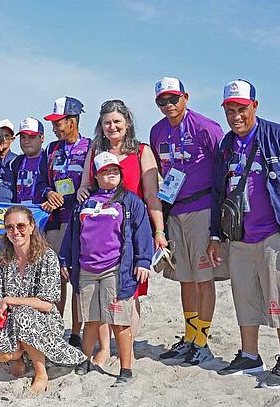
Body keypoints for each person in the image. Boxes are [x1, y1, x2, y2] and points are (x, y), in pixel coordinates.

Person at [208, 79, 280, 388]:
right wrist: (215, 235)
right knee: (244, 297)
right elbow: (219, 193)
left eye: (241, 109)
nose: (236, 116)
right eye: (230, 110)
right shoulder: (226, 145)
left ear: (255, 105)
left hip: (275, 234)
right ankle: (251, 356)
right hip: (239, 236)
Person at [76, 99, 167, 364]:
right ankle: (104, 348)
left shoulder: (141, 151)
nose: (112, 126)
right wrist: (83, 191)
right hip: (100, 234)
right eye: (107, 122)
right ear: (100, 126)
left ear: (127, 123)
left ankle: (126, 349)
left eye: (117, 121)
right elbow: (85, 186)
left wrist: (159, 231)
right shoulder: (95, 151)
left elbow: (151, 194)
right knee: (101, 294)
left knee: (130, 292)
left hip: (132, 232)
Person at [147, 78, 226, 365]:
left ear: (186, 97)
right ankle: (191, 338)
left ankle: (203, 342)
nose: (168, 105)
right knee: (185, 278)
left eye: (173, 99)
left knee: (204, 277)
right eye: (162, 101)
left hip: (203, 206)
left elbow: (224, 165)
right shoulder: (157, 131)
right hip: (175, 211)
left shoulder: (206, 127)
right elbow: (160, 170)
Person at [61, 152, 153, 386]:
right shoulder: (84, 202)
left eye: (114, 170)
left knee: (119, 321)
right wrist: (65, 259)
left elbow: (143, 233)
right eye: (104, 171)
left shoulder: (130, 201)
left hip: (115, 270)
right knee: (90, 319)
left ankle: (126, 369)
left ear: (120, 174)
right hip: (86, 269)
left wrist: (143, 261)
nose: (110, 174)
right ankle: (85, 360)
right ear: (96, 175)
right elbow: (72, 234)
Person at [0, 205, 86, 394]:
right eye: (9, 227)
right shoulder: (0, 259)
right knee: (2, 353)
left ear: (32, 227)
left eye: (20, 226)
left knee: (23, 315)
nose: (15, 231)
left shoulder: (47, 257)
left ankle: (41, 373)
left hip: (44, 320)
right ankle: (19, 357)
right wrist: (8, 304)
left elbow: (47, 303)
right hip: (12, 321)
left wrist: (12, 300)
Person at [39, 96, 92, 348]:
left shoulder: (91, 147)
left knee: (78, 279)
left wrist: (67, 198)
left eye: (58, 122)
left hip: (80, 223)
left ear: (72, 121)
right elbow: (41, 182)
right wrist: (49, 193)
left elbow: (94, 185)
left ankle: (76, 331)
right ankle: (55, 326)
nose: (54, 127)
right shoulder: (50, 150)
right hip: (55, 222)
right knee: (55, 278)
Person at [9, 118, 46, 204]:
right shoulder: (14, 163)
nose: (26, 141)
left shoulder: (49, 160)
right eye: (23, 137)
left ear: (42, 138)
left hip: (43, 214)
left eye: (32, 137)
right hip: (20, 213)